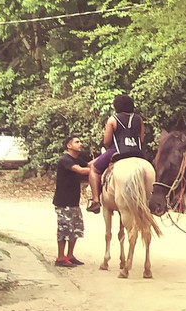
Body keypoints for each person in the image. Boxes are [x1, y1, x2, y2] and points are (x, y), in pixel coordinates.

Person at [86, 94, 146, 213]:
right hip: (137, 152)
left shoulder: (113, 120)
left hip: (118, 151)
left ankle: (96, 200)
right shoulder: (139, 119)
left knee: (94, 169)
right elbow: (142, 138)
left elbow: (107, 141)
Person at [53, 135, 91, 267]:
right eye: (77, 142)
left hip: (74, 201)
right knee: (64, 230)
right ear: (69, 146)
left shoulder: (77, 159)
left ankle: (70, 255)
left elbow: (88, 165)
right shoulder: (65, 160)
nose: (80, 144)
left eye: (80, 141)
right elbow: (80, 170)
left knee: (75, 229)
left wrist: (105, 159)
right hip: (63, 202)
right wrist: (97, 170)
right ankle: (60, 257)